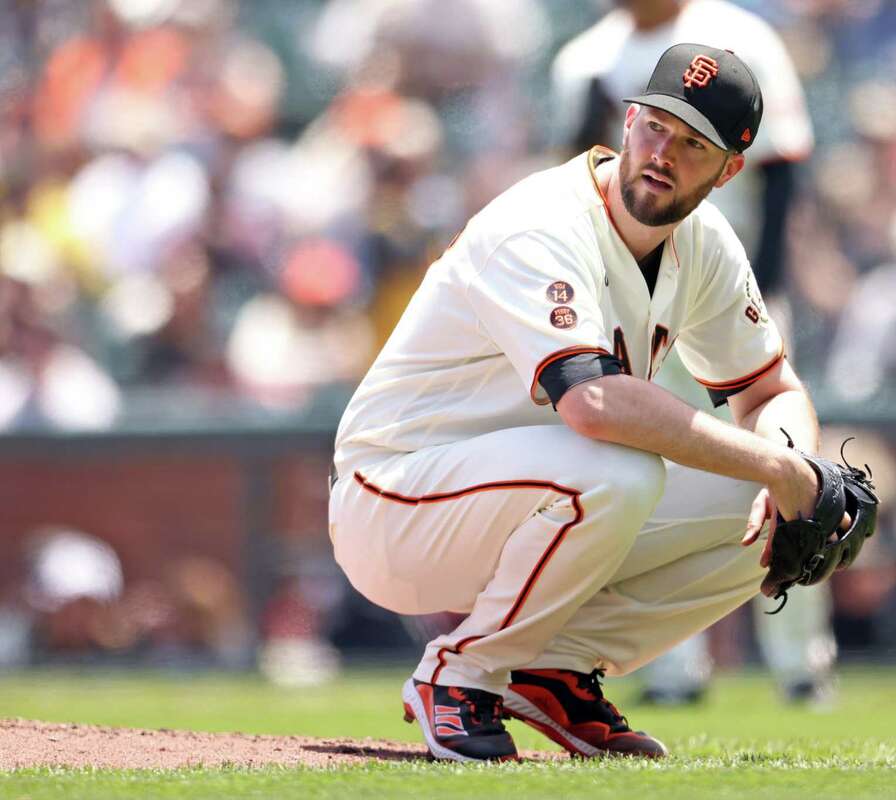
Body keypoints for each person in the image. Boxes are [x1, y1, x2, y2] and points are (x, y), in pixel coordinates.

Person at [329, 44, 829, 763]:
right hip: (396, 499)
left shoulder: (705, 245)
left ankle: (551, 669)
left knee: (782, 513)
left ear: (728, 171)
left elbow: (771, 391)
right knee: (621, 471)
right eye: (656, 125)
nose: (663, 153)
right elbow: (592, 403)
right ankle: (457, 677)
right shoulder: (542, 219)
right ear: (627, 122)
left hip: (531, 496)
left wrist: (791, 468)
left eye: (693, 144)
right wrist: (782, 466)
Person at [551, 0, 834, 704]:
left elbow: (780, 177)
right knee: (637, 476)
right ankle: (669, 670)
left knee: (781, 473)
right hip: (631, 301)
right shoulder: (583, 58)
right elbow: (574, 182)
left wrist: (760, 303)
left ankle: (801, 666)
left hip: (724, 291)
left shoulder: (741, 37)